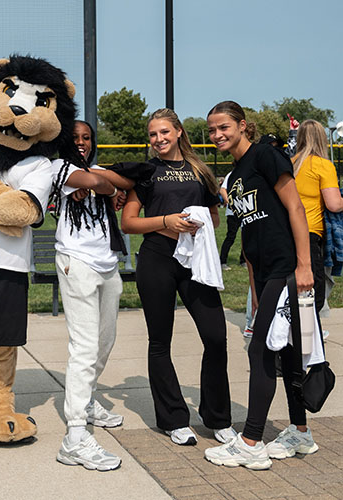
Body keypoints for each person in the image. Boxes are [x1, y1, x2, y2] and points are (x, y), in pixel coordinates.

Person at [204, 101, 315, 470]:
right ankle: (300, 431)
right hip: (265, 273)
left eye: (224, 127)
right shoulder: (235, 177)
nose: (218, 134)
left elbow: (295, 208)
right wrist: (254, 288)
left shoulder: (266, 156)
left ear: (242, 126)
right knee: (283, 352)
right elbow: (249, 234)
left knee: (261, 352)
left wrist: (303, 265)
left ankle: (251, 441)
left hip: (287, 266)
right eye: (212, 130)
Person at [121, 108, 235, 446]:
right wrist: (166, 221)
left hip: (195, 261)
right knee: (160, 341)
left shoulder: (200, 171)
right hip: (157, 259)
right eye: (153, 135)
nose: (158, 140)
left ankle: (217, 418)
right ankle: (173, 419)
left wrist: (199, 221)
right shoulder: (146, 172)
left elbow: (214, 219)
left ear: (179, 132)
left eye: (164, 133)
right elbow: (128, 223)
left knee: (216, 337)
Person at [49, 120, 134, 471]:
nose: (81, 143)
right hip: (77, 263)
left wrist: (109, 185)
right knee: (83, 346)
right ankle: (75, 435)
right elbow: (100, 182)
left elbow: (129, 180)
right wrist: (108, 187)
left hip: (106, 264)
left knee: (104, 341)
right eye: (76, 138)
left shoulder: (96, 168)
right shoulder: (60, 168)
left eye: (87, 138)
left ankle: (86, 401)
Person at [292, 119, 343, 316]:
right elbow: (334, 204)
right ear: (322, 139)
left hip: (289, 231)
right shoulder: (323, 165)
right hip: (311, 232)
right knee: (315, 294)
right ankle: (307, 338)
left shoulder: (291, 163)